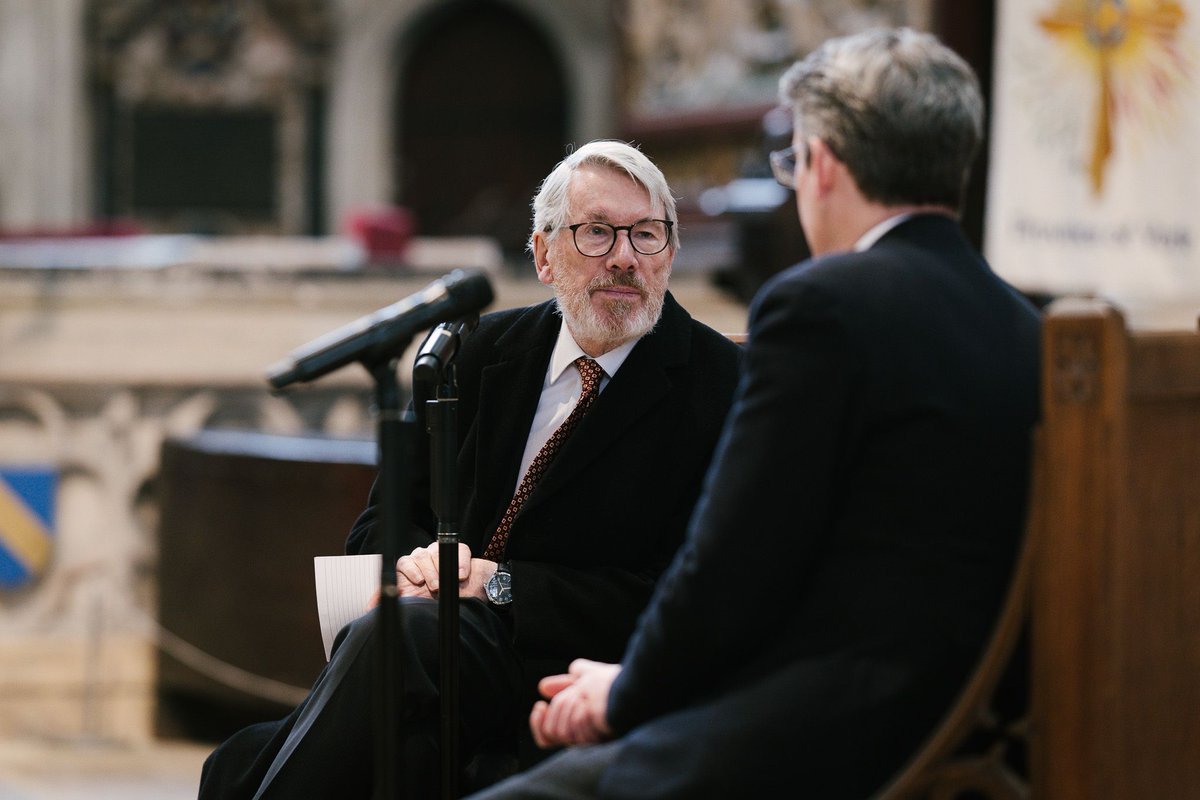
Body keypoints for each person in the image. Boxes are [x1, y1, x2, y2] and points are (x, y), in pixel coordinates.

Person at [469, 27, 1042, 800]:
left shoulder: (822, 307)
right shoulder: (1024, 324)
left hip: (838, 729)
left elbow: (733, 564)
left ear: (823, 164)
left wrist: (625, 689)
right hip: (981, 714)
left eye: (791, 163)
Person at [197, 140, 743, 798]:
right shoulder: (477, 352)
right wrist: (414, 564)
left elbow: (687, 591)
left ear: (671, 254)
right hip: (431, 659)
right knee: (239, 762)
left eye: (647, 235)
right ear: (544, 255)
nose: (625, 257)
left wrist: (497, 583)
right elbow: (378, 527)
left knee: (388, 659)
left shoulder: (722, 386)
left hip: (571, 666)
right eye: (597, 232)